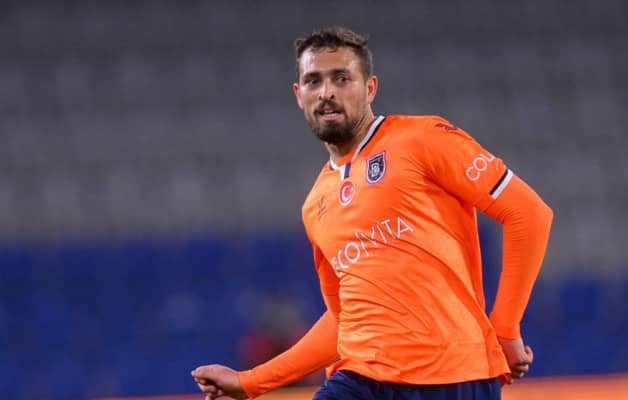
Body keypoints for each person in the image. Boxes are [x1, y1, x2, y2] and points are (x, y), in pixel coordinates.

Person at [191, 26, 553, 400]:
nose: (327, 92)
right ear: (299, 95)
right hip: (362, 379)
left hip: (455, 377)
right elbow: (344, 320)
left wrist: (505, 328)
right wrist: (251, 381)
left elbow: (529, 214)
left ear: (370, 88)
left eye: (341, 78)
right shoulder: (316, 205)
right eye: (313, 81)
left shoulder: (422, 139)